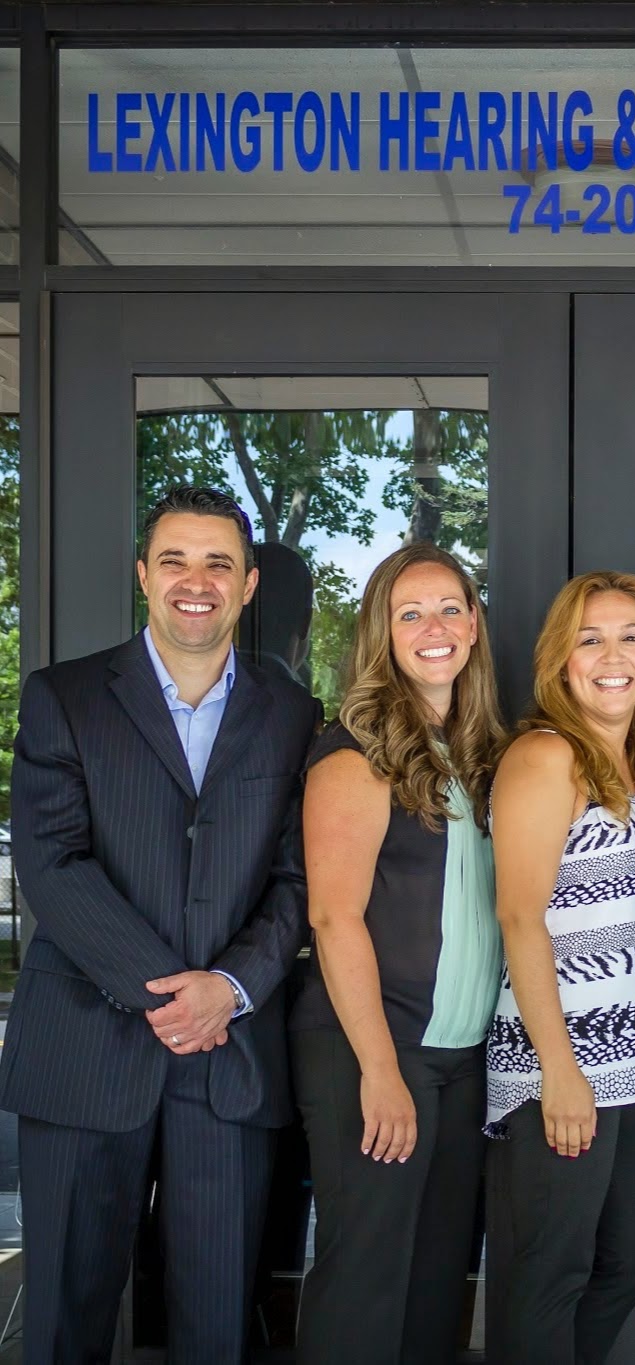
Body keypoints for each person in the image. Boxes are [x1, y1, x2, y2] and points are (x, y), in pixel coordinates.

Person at [0, 486, 321, 1363]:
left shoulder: (293, 716)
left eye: (220, 562)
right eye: (175, 558)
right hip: (84, 1049)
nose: (197, 580)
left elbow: (299, 878)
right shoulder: (64, 696)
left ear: (249, 585)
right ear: (144, 574)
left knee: (217, 1323)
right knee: (65, 1318)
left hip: (229, 1061)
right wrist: (171, 995)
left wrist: (230, 988)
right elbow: (52, 865)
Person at [289, 543, 506, 1364]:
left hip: (462, 1055)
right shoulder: (355, 750)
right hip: (375, 1050)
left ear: (475, 623)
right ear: (383, 633)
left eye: (449, 607)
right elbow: (334, 917)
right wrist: (379, 1069)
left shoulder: (481, 753)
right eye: (408, 612)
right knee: (367, 1273)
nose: (434, 627)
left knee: (436, 1279)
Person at [486, 571, 635, 1365]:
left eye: (630, 635)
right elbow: (519, 916)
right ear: (561, 660)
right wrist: (560, 1070)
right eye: (590, 637)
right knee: (549, 1270)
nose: (613, 654)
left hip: (634, 1069)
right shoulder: (546, 755)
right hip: (560, 1063)